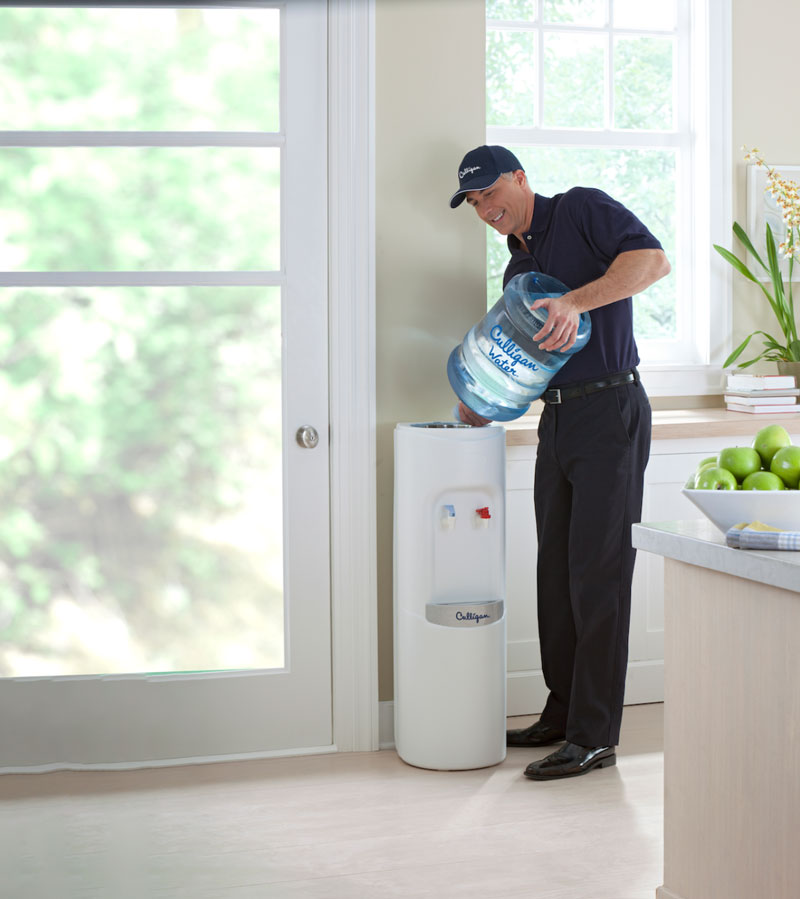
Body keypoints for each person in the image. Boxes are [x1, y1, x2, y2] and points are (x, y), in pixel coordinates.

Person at [449, 145, 671, 781]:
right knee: (556, 573)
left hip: (612, 410)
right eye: (474, 203)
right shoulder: (516, 272)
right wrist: (481, 403)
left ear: (520, 178)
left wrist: (578, 299)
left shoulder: (581, 210)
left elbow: (652, 261)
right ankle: (562, 710)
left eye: (492, 192)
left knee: (599, 574)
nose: (486, 209)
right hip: (558, 417)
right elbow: (524, 366)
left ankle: (595, 734)